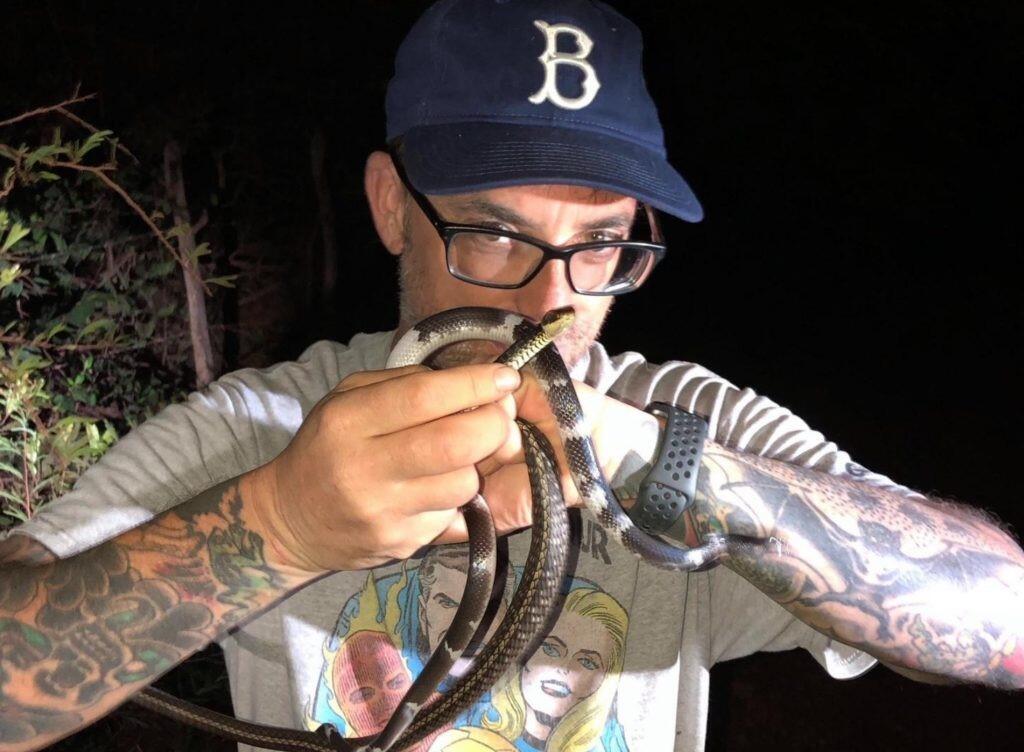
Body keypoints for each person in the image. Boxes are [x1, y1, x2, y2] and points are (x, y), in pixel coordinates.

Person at [1, 1, 1022, 751]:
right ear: (391, 205)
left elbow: (1004, 622)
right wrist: (277, 524)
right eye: (494, 235)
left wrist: (666, 468)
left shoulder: (687, 417)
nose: (549, 309)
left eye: (602, 247)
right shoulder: (262, 423)